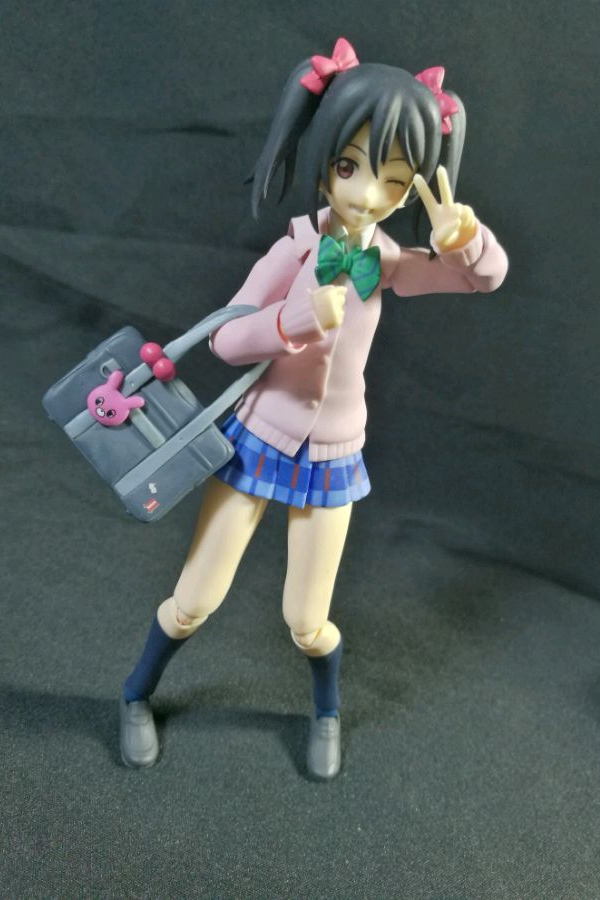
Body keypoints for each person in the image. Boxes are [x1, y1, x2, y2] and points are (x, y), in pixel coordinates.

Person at [119, 37, 508, 779]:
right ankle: (135, 692)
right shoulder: (294, 251)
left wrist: (465, 239)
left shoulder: (386, 262)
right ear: (325, 160)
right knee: (194, 598)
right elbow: (226, 339)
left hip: (332, 455)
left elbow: (480, 280)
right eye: (350, 168)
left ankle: (326, 710)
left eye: (393, 181)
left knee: (306, 621)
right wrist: (292, 319)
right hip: (257, 438)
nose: (366, 195)